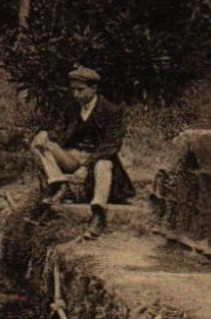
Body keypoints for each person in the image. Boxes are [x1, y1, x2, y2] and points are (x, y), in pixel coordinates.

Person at [30, 65, 134, 239]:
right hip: (75, 158)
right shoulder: (73, 108)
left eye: (80, 90)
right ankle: (59, 184)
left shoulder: (111, 111)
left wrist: (86, 166)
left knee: (103, 164)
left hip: (99, 161)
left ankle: (98, 213)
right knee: (39, 144)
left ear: (94, 89)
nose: (76, 94)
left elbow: (110, 146)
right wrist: (45, 134)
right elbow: (61, 133)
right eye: (73, 90)